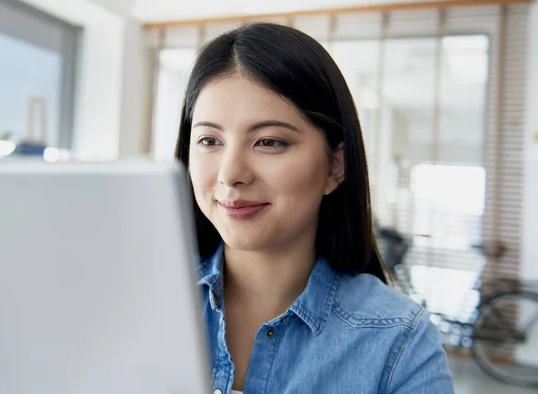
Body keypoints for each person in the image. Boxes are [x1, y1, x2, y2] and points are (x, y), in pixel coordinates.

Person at [175, 22, 454, 394]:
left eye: (269, 142)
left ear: (335, 165)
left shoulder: (399, 341)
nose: (231, 175)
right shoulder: (142, 303)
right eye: (209, 140)